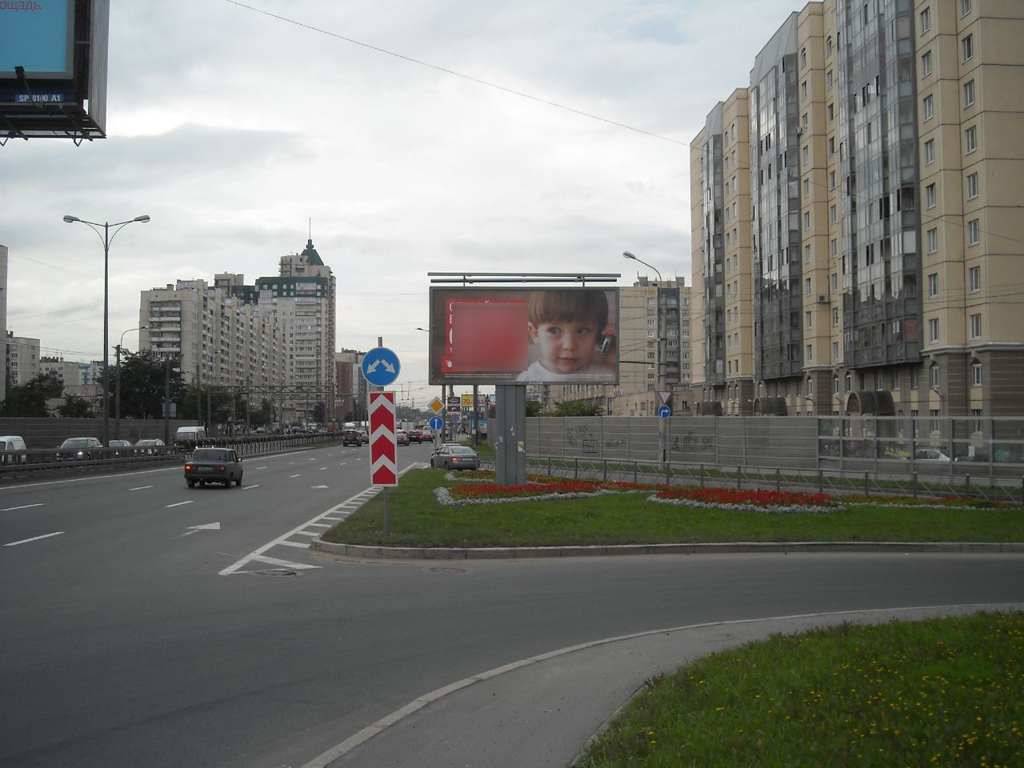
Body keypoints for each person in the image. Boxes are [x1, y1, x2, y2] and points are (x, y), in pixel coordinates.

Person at [516, 290, 616, 382]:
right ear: (535, 334)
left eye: (581, 331)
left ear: (599, 336)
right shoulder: (526, 379)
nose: (569, 345)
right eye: (554, 331)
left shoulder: (608, 375)